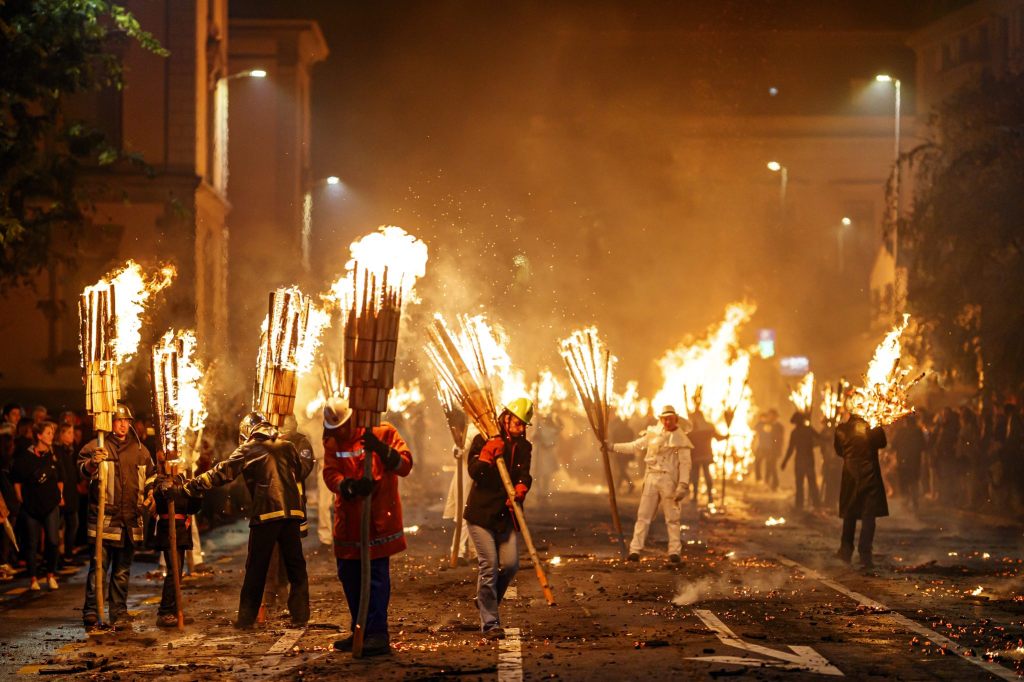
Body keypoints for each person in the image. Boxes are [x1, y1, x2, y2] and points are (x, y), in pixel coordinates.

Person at [183, 411, 314, 629]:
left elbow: (222, 472)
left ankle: (246, 618)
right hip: (293, 512)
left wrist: (194, 484)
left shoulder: (249, 448)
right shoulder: (288, 445)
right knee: (296, 566)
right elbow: (300, 471)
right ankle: (300, 614)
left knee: (256, 568)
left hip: (267, 513)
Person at [321, 397, 414, 654]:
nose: (339, 432)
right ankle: (360, 629)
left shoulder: (383, 432)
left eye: (342, 426)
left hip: (377, 519)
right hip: (349, 521)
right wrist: (347, 486)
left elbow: (405, 465)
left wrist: (383, 451)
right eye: (334, 428)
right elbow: (330, 473)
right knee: (349, 575)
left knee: (375, 578)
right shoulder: (332, 441)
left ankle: (377, 633)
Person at [78, 403, 155, 630]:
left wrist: (151, 494)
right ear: (109, 423)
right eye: (118, 421)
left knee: (122, 571)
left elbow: (151, 476)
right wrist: (93, 463)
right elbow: (81, 470)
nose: (123, 425)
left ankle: (119, 613)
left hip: (129, 521)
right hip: (104, 520)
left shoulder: (141, 450)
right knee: (98, 569)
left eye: (126, 421)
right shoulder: (97, 446)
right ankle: (92, 610)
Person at [464, 398, 533, 638]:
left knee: (511, 564)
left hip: (507, 516)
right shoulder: (482, 439)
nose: (521, 428)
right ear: (506, 419)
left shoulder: (525, 447)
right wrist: (485, 456)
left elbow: (525, 473)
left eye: (524, 425)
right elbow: (474, 472)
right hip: (481, 515)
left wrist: (522, 488)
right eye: (518, 423)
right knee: (490, 566)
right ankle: (490, 622)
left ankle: (486, 598)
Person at [609, 405, 692, 563]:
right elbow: (634, 446)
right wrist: (612, 447)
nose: (667, 421)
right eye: (664, 418)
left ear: (676, 420)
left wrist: (683, 484)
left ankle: (674, 552)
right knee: (643, 516)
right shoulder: (652, 435)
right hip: (651, 478)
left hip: (669, 481)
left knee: (672, 519)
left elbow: (685, 465)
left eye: (670, 419)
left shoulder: (682, 440)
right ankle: (635, 551)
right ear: (661, 419)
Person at [12, 420, 63, 590]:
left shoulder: (53, 455)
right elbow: (17, 481)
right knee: (32, 543)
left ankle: (50, 574)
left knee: (53, 540)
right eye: (48, 433)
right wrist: (21, 500)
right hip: (31, 505)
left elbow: (60, 478)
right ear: (39, 436)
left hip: (50, 504)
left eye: (52, 433)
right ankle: (33, 578)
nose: (51, 436)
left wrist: (60, 495)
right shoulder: (25, 457)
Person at [834, 409, 888, 569]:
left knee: (849, 515)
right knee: (868, 516)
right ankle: (865, 554)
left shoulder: (841, 429)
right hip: (870, 475)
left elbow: (839, 451)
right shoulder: (872, 427)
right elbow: (883, 443)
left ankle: (845, 552)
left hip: (850, 476)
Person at [151, 460, 202, 627]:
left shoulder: (184, 481)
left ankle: (175, 611)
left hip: (181, 530)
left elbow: (193, 508)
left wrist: (198, 493)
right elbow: (158, 498)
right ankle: (165, 612)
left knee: (178, 571)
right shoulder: (160, 480)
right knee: (173, 570)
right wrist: (163, 489)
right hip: (168, 530)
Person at [53, 423, 82, 565]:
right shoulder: (57, 451)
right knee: (59, 526)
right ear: (61, 434)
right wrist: (61, 495)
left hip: (71, 493)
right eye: (69, 432)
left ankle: (68, 553)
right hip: (63, 494)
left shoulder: (69, 451)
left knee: (73, 524)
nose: (72, 435)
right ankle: (57, 555)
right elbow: (60, 474)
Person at [781, 412, 821, 511]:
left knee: (800, 484)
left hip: (800, 460)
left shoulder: (795, 433)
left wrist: (784, 462)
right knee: (811, 483)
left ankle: (800, 505)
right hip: (808, 460)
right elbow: (820, 439)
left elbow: (790, 449)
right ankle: (816, 504)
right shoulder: (809, 430)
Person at [687, 409, 723, 508]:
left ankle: (696, 497)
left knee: (696, 475)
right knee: (704, 475)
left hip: (696, 456)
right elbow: (718, 438)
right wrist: (725, 437)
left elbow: (685, 441)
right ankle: (708, 496)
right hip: (704, 455)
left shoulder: (691, 429)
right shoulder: (708, 427)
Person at [892, 413, 926, 512]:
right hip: (915, 461)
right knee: (914, 481)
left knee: (904, 481)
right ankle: (914, 501)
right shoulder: (918, 431)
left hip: (903, 461)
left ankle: (906, 500)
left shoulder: (901, 432)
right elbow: (923, 446)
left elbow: (893, 445)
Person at [753, 409, 783, 491]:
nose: (769, 417)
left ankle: (773, 485)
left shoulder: (778, 426)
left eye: (771, 415)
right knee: (766, 465)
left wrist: (777, 450)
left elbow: (778, 440)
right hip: (766, 448)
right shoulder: (766, 424)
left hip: (773, 450)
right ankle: (767, 483)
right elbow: (757, 428)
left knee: (771, 467)